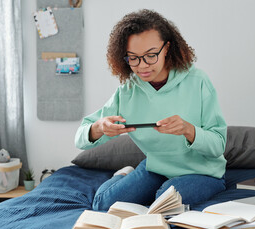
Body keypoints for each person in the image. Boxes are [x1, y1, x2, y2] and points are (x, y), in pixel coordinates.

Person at [75, 9, 227, 211]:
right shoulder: (127, 90)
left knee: (165, 203)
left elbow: (218, 145)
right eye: (134, 58)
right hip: (155, 168)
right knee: (104, 205)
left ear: (167, 48)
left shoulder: (198, 81)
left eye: (151, 55)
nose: (143, 66)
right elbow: (80, 139)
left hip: (202, 172)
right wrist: (100, 127)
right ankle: (122, 175)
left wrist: (189, 130)